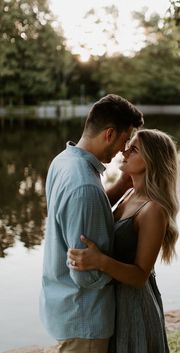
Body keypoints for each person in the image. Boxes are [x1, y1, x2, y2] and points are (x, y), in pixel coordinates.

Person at [40, 94, 144, 353]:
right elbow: (87, 275)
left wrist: (120, 187)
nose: (123, 149)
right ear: (109, 134)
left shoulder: (63, 162)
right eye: (124, 139)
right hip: (85, 316)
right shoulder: (85, 186)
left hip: (61, 304)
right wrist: (122, 270)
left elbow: (84, 215)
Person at [68, 129, 180, 353]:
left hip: (134, 306)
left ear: (151, 160)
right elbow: (101, 212)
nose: (124, 152)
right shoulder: (131, 194)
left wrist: (99, 261)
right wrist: (122, 184)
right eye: (127, 146)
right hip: (113, 300)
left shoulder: (153, 210)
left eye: (134, 149)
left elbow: (140, 275)